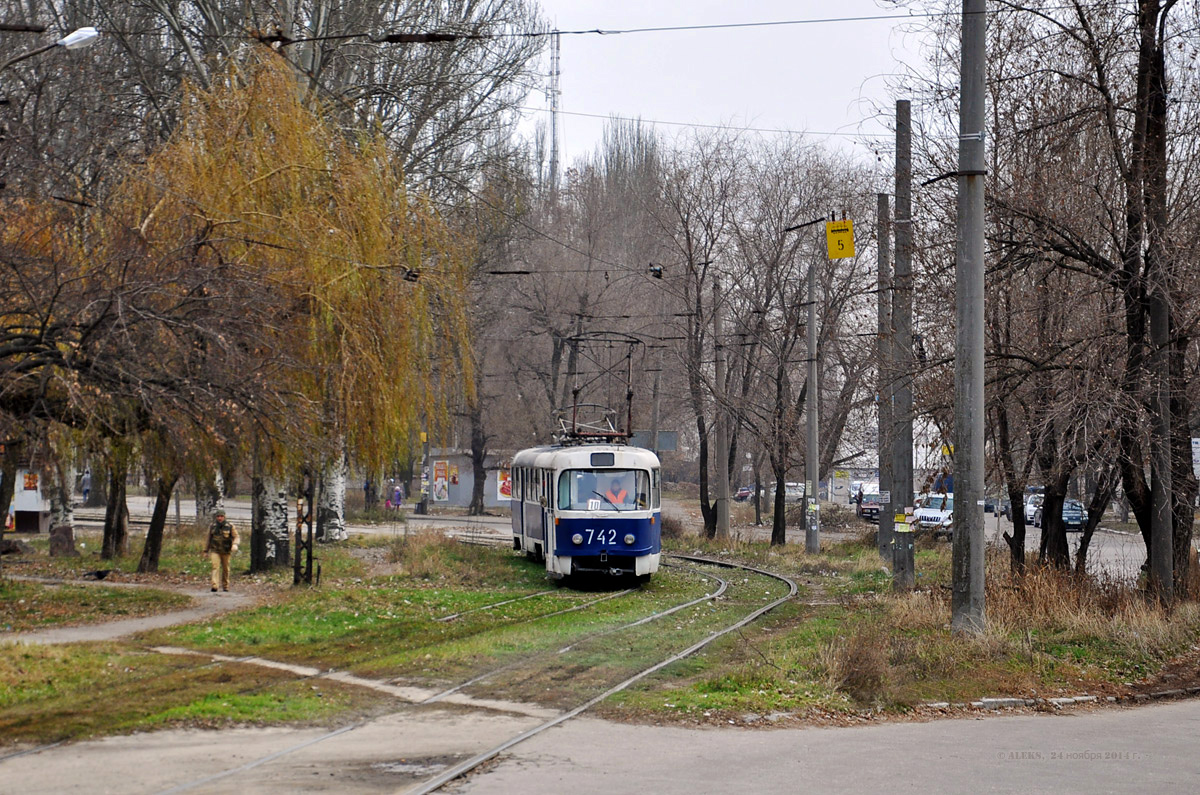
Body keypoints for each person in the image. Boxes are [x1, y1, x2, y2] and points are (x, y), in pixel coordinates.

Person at [204, 509, 239, 593]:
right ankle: (214, 585)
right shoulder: (212, 526)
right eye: (218, 516)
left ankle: (225, 585)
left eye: (221, 516)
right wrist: (205, 550)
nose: (220, 518)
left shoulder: (230, 526)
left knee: (226, 568)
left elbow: (236, 536)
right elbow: (208, 539)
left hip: (226, 551)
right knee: (215, 567)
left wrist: (235, 544)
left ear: (224, 517)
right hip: (215, 550)